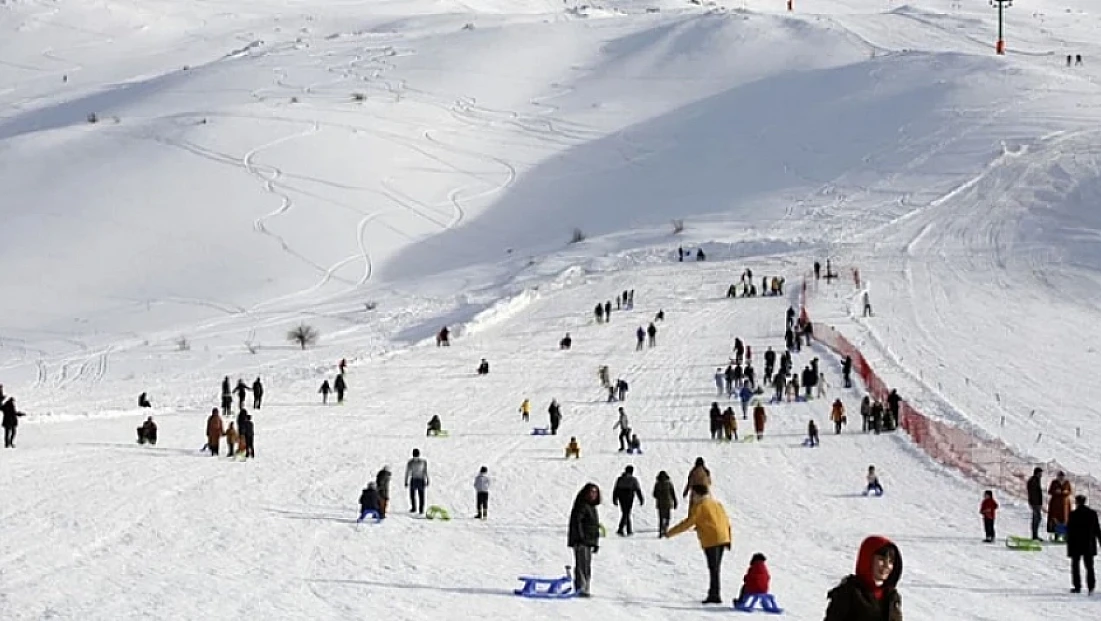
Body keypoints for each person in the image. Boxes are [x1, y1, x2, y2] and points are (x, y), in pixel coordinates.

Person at [665, 484, 732, 605]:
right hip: (723, 538)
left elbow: (688, 523)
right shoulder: (717, 504)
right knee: (716, 568)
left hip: (711, 539)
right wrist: (729, 539)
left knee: (713, 568)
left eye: (693, 494)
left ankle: (714, 595)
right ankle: (715, 593)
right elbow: (726, 521)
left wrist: (670, 533)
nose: (692, 497)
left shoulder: (700, 506)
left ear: (697, 494)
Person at [823, 536, 903, 621]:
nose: (887, 566)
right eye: (881, 559)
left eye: (891, 562)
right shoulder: (849, 592)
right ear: (867, 559)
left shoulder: (891, 596)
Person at [568, 483, 601, 598]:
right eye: (591, 492)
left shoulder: (592, 508)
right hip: (581, 541)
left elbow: (594, 527)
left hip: (589, 541)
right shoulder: (581, 506)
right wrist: (580, 538)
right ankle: (581, 588)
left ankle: (586, 587)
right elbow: (576, 523)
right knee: (581, 565)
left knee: (587, 566)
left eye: (595, 492)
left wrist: (595, 543)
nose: (593, 495)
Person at [1067, 495, 1101, 594]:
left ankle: (1077, 586)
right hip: (1089, 543)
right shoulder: (1092, 513)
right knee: (1089, 566)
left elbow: (1070, 531)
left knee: (1075, 566)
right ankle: (1091, 586)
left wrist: (1069, 546)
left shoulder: (1073, 514)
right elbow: (1097, 529)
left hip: (1076, 543)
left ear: (1077, 502)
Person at [613, 466, 644, 536]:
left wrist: (615, 499)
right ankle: (623, 529)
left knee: (625, 513)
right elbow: (637, 490)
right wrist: (641, 499)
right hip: (629, 497)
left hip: (621, 497)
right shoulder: (633, 479)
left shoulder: (620, 479)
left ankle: (626, 529)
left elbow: (616, 489)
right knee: (626, 513)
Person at [653, 471, 678, 538]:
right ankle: (665, 529)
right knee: (667, 517)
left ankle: (661, 531)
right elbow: (673, 493)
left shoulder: (657, 484)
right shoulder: (669, 483)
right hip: (668, 503)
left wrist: (659, 496)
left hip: (660, 503)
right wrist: (675, 501)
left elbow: (654, 494)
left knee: (661, 518)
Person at [1049, 472, 1073, 540]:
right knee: (1056, 520)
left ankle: (1065, 536)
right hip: (1056, 504)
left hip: (1065, 505)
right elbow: (1050, 491)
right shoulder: (1054, 482)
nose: (1061, 478)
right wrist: (1055, 491)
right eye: (1060, 476)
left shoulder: (1067, 482)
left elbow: (1070, 491)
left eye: (1062, 476)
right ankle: (1056, 536)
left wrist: (1066, 492)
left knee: (1065, 520)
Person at [406, 448, 429, 514]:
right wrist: (427, 479)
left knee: (413, 495)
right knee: (421, 495)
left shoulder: (410, 462)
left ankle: (414, 508)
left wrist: (406, 481)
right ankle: (421, 509)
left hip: (414, 479)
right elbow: (425, 471)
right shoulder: (423, 461)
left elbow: (407, 472)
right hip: (420, 479)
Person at [1027, 467, 1044, 541]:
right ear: (1037, 473)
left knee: (1036, 518)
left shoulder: (1036, 480)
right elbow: (1033, 493)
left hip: (1037, 503)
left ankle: (1035, 535)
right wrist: (1035, 503)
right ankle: (1034, 536)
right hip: (1035, 503)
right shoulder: (1033, 480)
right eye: (1040, 473)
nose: (1041, 475)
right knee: (1037, 518)